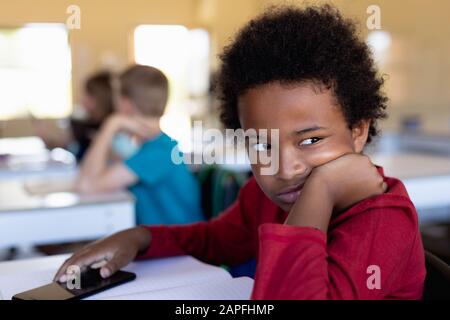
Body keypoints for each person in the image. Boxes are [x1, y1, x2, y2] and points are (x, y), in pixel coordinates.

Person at [55, 5, 425, 299]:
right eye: (261, 143)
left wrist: (323, 189)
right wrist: (138, 237)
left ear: (358, 131)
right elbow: (213, 241)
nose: (284, 166)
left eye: (311, 141)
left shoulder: (381, 220)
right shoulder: (265, 196)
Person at [75, 64, 203, 226]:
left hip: (176, 247)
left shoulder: (158, 153)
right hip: (163, 241)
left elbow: (85, 186)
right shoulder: (155, 146)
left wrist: (111, 124)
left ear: (126, 103)